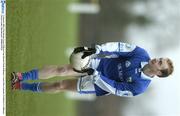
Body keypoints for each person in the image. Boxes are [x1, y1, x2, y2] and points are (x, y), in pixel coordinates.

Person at [11, 42, 174, 97]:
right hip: (100, 64)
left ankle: (20, 86)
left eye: (160, 63)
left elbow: (115, 89)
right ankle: (21, 77)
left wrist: (96, 77)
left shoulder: (139, 87)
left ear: (159, 73)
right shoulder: (141, 53)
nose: (157, 60)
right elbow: (117, 46)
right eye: (160, 59)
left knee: (59, 86)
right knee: (61, 70)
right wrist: (97, 49)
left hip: (99, 85)